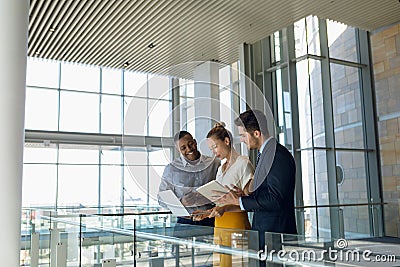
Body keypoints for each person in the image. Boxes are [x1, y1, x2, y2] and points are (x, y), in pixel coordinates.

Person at [216, 110, 297, 266]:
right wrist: (245, 195)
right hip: (266, 234)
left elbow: (274, 199)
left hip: (275, 235)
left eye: (244, 135)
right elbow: (267, 193)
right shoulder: (265, 154)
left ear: (257, 133)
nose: (242, 140)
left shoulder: (276, 155)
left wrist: (240, 201)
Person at [194, 122, 254, 267]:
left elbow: (249, 200)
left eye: (215, 147)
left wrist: (235, 200)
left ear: (226, 141)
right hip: (220, 224)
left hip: (236, 222)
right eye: (211, 149)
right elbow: (221, 201)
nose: (213, 152)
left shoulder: (243, 163)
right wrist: (206, 213)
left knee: (238, 263)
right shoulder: (221, 168)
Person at [158, 130, 220, 227]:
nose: (189, 149)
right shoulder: (171, 169)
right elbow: (161, 199)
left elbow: (223, 190)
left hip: (211, 219)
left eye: (190, 144)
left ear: (195, 142)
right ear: (178, 149)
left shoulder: (214, 163)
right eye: (183, 148)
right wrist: (181, 202)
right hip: (185, 222)